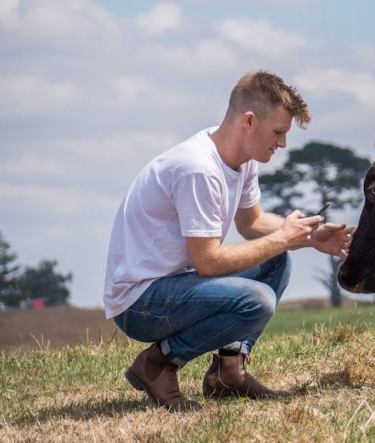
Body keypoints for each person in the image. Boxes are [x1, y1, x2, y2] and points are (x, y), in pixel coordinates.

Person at [104, 71, 354, 411]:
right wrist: (283, 238)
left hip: (175, 284)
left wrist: (310, 237)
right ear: (249, 121)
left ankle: (228, 373)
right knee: (258, 301)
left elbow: (252, 223)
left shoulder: (242, 160)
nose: (282, 144)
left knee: (276, 261)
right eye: (278, 132)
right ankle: (158, 363)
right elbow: (208, 262)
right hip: (140, 303)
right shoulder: (198, 169)